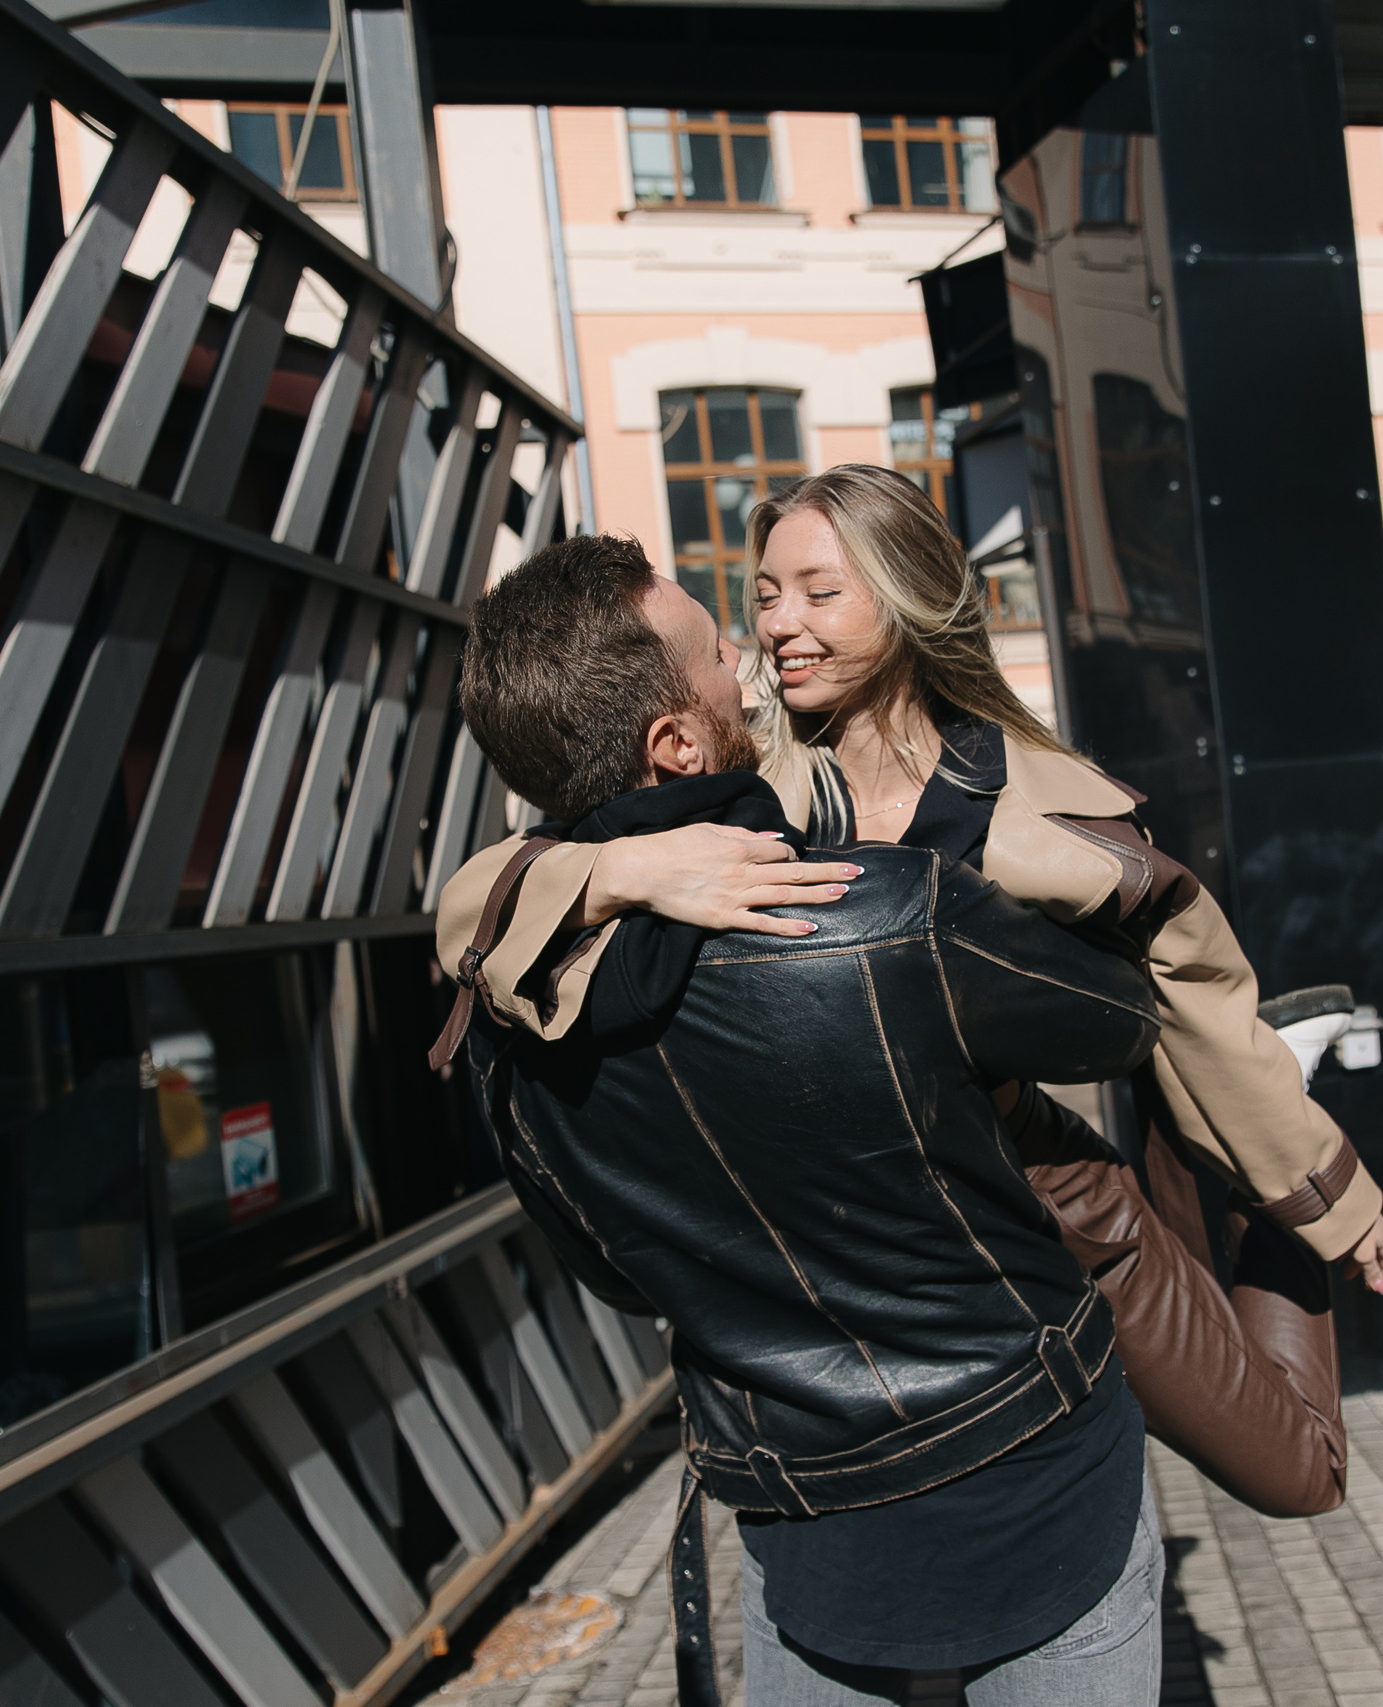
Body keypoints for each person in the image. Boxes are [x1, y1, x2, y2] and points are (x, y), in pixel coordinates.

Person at [447, 467, 1383, 1517]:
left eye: (819, 591)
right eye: (765, 596)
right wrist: (631, 868)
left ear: (905, 598)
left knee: (1296, 1475)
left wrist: (1317, 1194)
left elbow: (1189, 999)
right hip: (866, 1246)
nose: (779, 625)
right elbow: (481, 902)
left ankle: (1277, 1200)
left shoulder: (1050, 812)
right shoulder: (732, 779)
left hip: (1040, 1191)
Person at [436, 536, 1169, 1704]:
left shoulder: (501, 1021)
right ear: (674, 747)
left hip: (799, 1505)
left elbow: (614, 1272)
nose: (747, 661)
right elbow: (1120, 1024)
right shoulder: (886, 912)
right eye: (714, 653)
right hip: (1032, 1467)